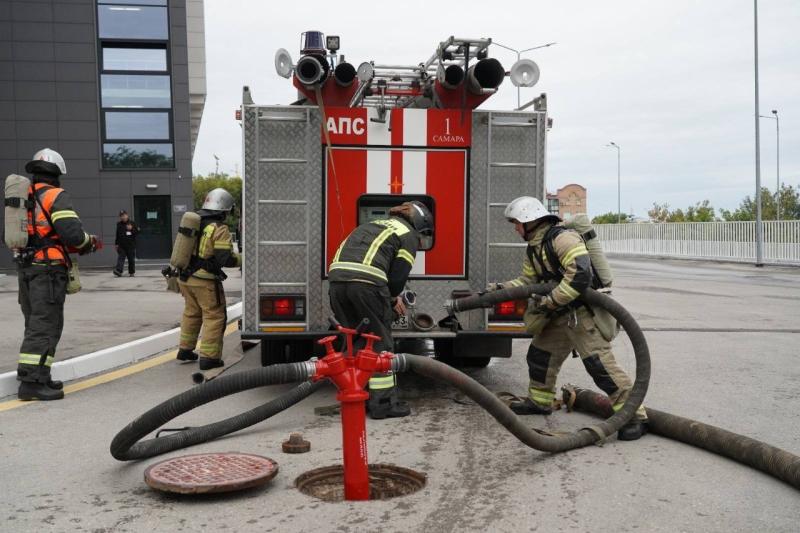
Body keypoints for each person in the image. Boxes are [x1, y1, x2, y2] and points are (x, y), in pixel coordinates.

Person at [489, 196, 647, 440]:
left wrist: (551, 300)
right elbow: (528, 282)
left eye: (517, 223)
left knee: (600, 365)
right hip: (560, 314)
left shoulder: (563, 239)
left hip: (581, 314)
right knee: (540, 356)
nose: (515, 228)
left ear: (530, 220)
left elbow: (580, 275)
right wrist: (502, 288)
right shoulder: (535, 247)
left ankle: (633, 416)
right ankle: (539, 401)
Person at [328, 200, 434, 419]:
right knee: (379, 342)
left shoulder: (375, 224)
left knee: (354, 339)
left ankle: (356, 394)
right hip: (366, 285)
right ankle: (382, 404)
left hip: (337, 283)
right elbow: (397, 279)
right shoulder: (408, 234)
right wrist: (394, 299)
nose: (421, 238)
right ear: (419, 222)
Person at [15, 148, 99, 401]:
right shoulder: (55, 195)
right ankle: (30, 383)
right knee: (46, 324)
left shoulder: (22, 197)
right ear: (57, 173)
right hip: (48, 270)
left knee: (35, 322)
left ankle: (41, 375)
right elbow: (72, 235)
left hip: (26, 268)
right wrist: (90, 242)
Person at [176, 188, 241, 370]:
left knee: (192, 313)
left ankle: (185, 350)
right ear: (224, 209)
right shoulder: (219, 228)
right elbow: (225, 259)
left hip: (186, 278)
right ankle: (209, 358)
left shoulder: (194, 223)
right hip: (205, 282)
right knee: (214, 316)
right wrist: (243, 259)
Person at [113, 210, 138, 277]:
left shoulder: (132, 223)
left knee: (131, 260)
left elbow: (137, 232)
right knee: (120, 258)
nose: (123, 217)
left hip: (130, 245)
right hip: (121, 246)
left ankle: (131, 272)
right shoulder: (119, 224)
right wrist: (116, 244)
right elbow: (117, 235)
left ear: (127, 215)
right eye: (121, 216)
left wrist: (131, 229)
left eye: (124, 215)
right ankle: (119, 271)